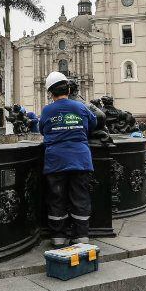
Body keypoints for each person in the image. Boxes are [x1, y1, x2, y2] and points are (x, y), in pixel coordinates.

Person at [39, 71, 96, 247]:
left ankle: (58, 236)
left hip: (56, 161)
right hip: (80, 159)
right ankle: (81, 235)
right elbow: (93, 123)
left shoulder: (47, 110)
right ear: (69, 89)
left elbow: (42, 129)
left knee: (57, 198)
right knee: (80, 197)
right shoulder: (80, 107)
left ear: (50, 93)